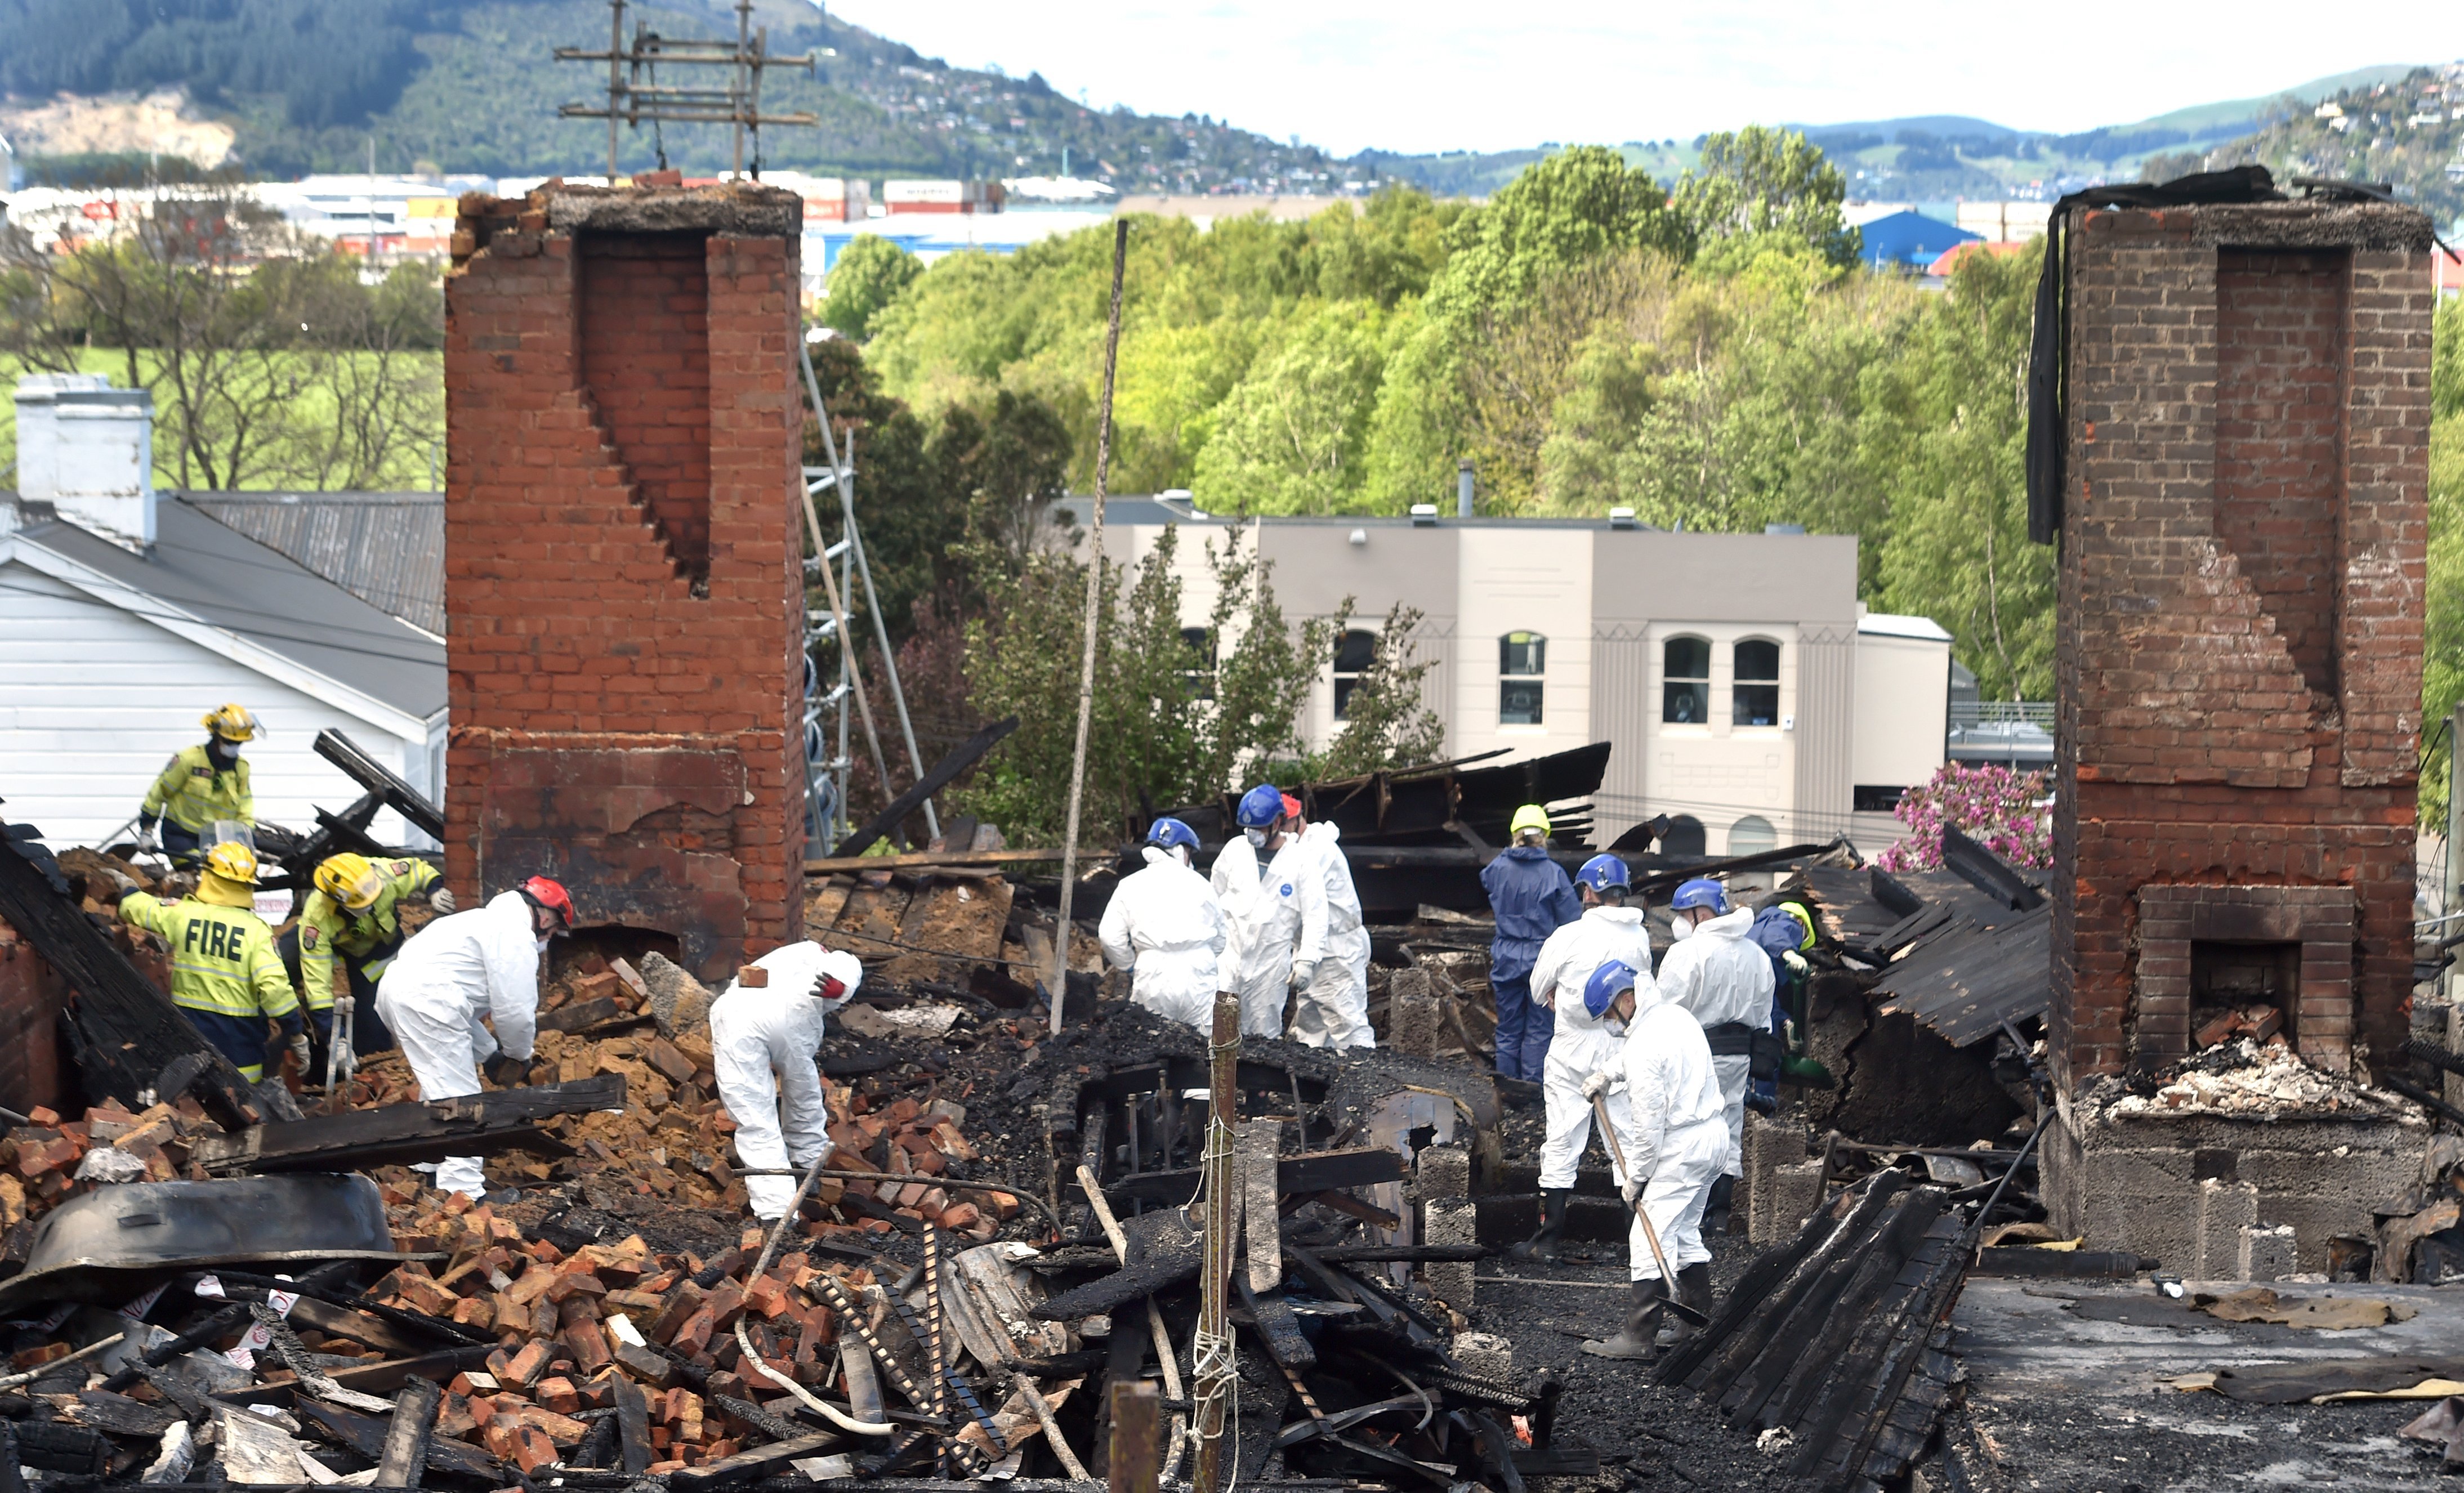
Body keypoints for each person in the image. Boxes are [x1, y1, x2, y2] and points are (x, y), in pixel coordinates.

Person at [374, 875, 574, 1201]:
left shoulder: (479, 921)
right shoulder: (515, 935)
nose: (549, 938)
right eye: (553, 932)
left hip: (397, 993)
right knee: (461, 1097)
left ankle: (429, 1167)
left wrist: (490, 1054)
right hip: (427, 998)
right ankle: (463, 1193)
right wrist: (517, 1055)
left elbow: (461, 1012)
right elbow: (515, 1011)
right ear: (547, 915)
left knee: (438, 1085)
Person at [1579, 958, 1728, 1361]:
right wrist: (1607, 1075)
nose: (1611, 1022)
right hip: (1713, 1136)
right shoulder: (1675, 1017)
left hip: (1682, 1146)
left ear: (1625, 999)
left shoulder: (1645, 1044)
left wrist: (1637, 1179)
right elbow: (1638, 1057)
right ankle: (1695, 1321)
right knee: (1683, 1231)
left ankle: (1638, 1337)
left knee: (1647, 1238)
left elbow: (1649, 1127)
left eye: (1610, 1013)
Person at [1510, 853, 1655, 1263]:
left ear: (1588, 891)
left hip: (1573, 1046)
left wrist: (1560, 994)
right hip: (1622, 1046)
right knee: (1625, 1140)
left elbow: (1539, 988)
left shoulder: (1567, 936)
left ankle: (1548, 1240)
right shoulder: (1639, 938)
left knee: (1562, 1139)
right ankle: (1637, 1244)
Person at [108, 840, 303, 1083]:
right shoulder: (257, 932)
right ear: (248, 885)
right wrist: (295, 1034)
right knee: (246, 1106)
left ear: (209, 876)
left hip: (190, 1039)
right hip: (240, 1047)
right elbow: (275, 990)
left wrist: (128, 888)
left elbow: (137, 909)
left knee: (192, 1102)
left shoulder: (184, 914)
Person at [1653, 877, 1776, 1240]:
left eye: (1682, 914)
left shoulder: (1688, 953)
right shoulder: (1756, 954)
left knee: (1687, 1127)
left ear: (1700, 913)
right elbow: (1763, 1015)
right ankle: (1719, 1216)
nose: (1679, 921)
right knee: (1728, 1127)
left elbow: (1665, 1009)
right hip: (1739, 1056)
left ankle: (1687, 1211)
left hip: (1695, 1052)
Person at [711, 941, 866, 1221]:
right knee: (802, 1091)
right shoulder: (818, 954)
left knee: (754, 1115)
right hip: (790, 1015)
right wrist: (841, 987)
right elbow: (847, 964)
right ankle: (808, 1162)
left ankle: (775, 1211)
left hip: (734, 1014)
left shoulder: (782, 957)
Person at [280, 852, 455, 1063]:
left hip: (375, 950)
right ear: (339, 902)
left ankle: (371, 1059)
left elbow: (418, 870)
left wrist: (435, 889)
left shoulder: (384, 874)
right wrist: (336, 1040)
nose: (370, 905)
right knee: (285, 961)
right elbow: (318, 987)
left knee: (372, 1022)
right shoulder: (317, 921)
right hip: (339, 943)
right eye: (362, 903)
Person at [1210, 783, 1328, 1040]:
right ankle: (1218, 1081)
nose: (1254, 834)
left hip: (1270, 966)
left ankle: (1254, 1081)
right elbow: (1214, 897)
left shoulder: (1301, 862)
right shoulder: (1235, 851)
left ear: (1278, 822)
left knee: (1262, 1039)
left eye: (1260, 827)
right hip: (1230, 959)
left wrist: (1306, 960)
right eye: (1249, 828)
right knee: (1219, 1032)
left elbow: (1316, 915)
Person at [1479, 804, 1581, 1079]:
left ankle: (1508, 1092)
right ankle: (1533, 1093)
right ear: (1544, 836)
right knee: (1539, 1029)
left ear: (1515, 834)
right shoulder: (1554, 873)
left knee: (1508, 1028)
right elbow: (1572, 920)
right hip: (1542, 957)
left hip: (1506, 955)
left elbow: (1486, 879)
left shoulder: (1497, 868)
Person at [1098, 817, 1225, 1030]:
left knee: (1153, 1043)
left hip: (1153, 972)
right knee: (1206, 1044)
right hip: (1199, 973)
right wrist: (1199, 954)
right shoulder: (1202, 885)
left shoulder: (1130, 885)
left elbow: (1109, 937)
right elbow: (1221, 938)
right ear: (1180, 850)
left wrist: (1128, 965)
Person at [1288, 796, 1374, 1050]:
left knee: (1350, 1031)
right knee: (1311, 1032)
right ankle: (1313, 1088)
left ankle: (1366, 1087)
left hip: (1336, 952)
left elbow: (1293, 900)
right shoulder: (1301, 848)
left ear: (1293, 821)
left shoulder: (1317, 851)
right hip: (1314, 951)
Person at [137, 704, 260, 866]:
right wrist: (146, 832)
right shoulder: (189, 760)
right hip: (180, 836)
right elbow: (159, 793)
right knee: (199, 875)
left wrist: (245, 842)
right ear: (216, 736)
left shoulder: (241, 770)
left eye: (238, 743)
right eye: (229, 741)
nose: (233, 747)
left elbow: (245, 809)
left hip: (217, 842)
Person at [1744, 900, 1818, 1112]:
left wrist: (1786, 1022)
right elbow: (1775, 935)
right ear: (1800, 922)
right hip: (1755, 1000)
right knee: (1767, 1052)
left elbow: (1769, 997)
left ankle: (1750, 1102)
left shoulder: (1753, 934)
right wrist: (1789, 953)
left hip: (1747, 1000)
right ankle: (1762, 1107)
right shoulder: (1783, 920)